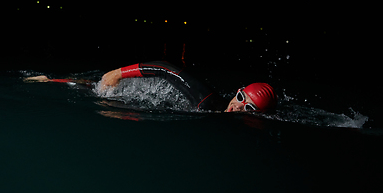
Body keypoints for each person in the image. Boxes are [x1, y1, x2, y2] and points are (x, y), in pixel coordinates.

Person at [25, 61, 278, 113]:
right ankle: (49, 79)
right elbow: (165, 68)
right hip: (135, 87)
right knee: (98, 89)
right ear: (237, 90)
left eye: (249, 109)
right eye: (240, 97)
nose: (237, 107)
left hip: (149, 100)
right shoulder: (206, 101)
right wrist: (118, 73)